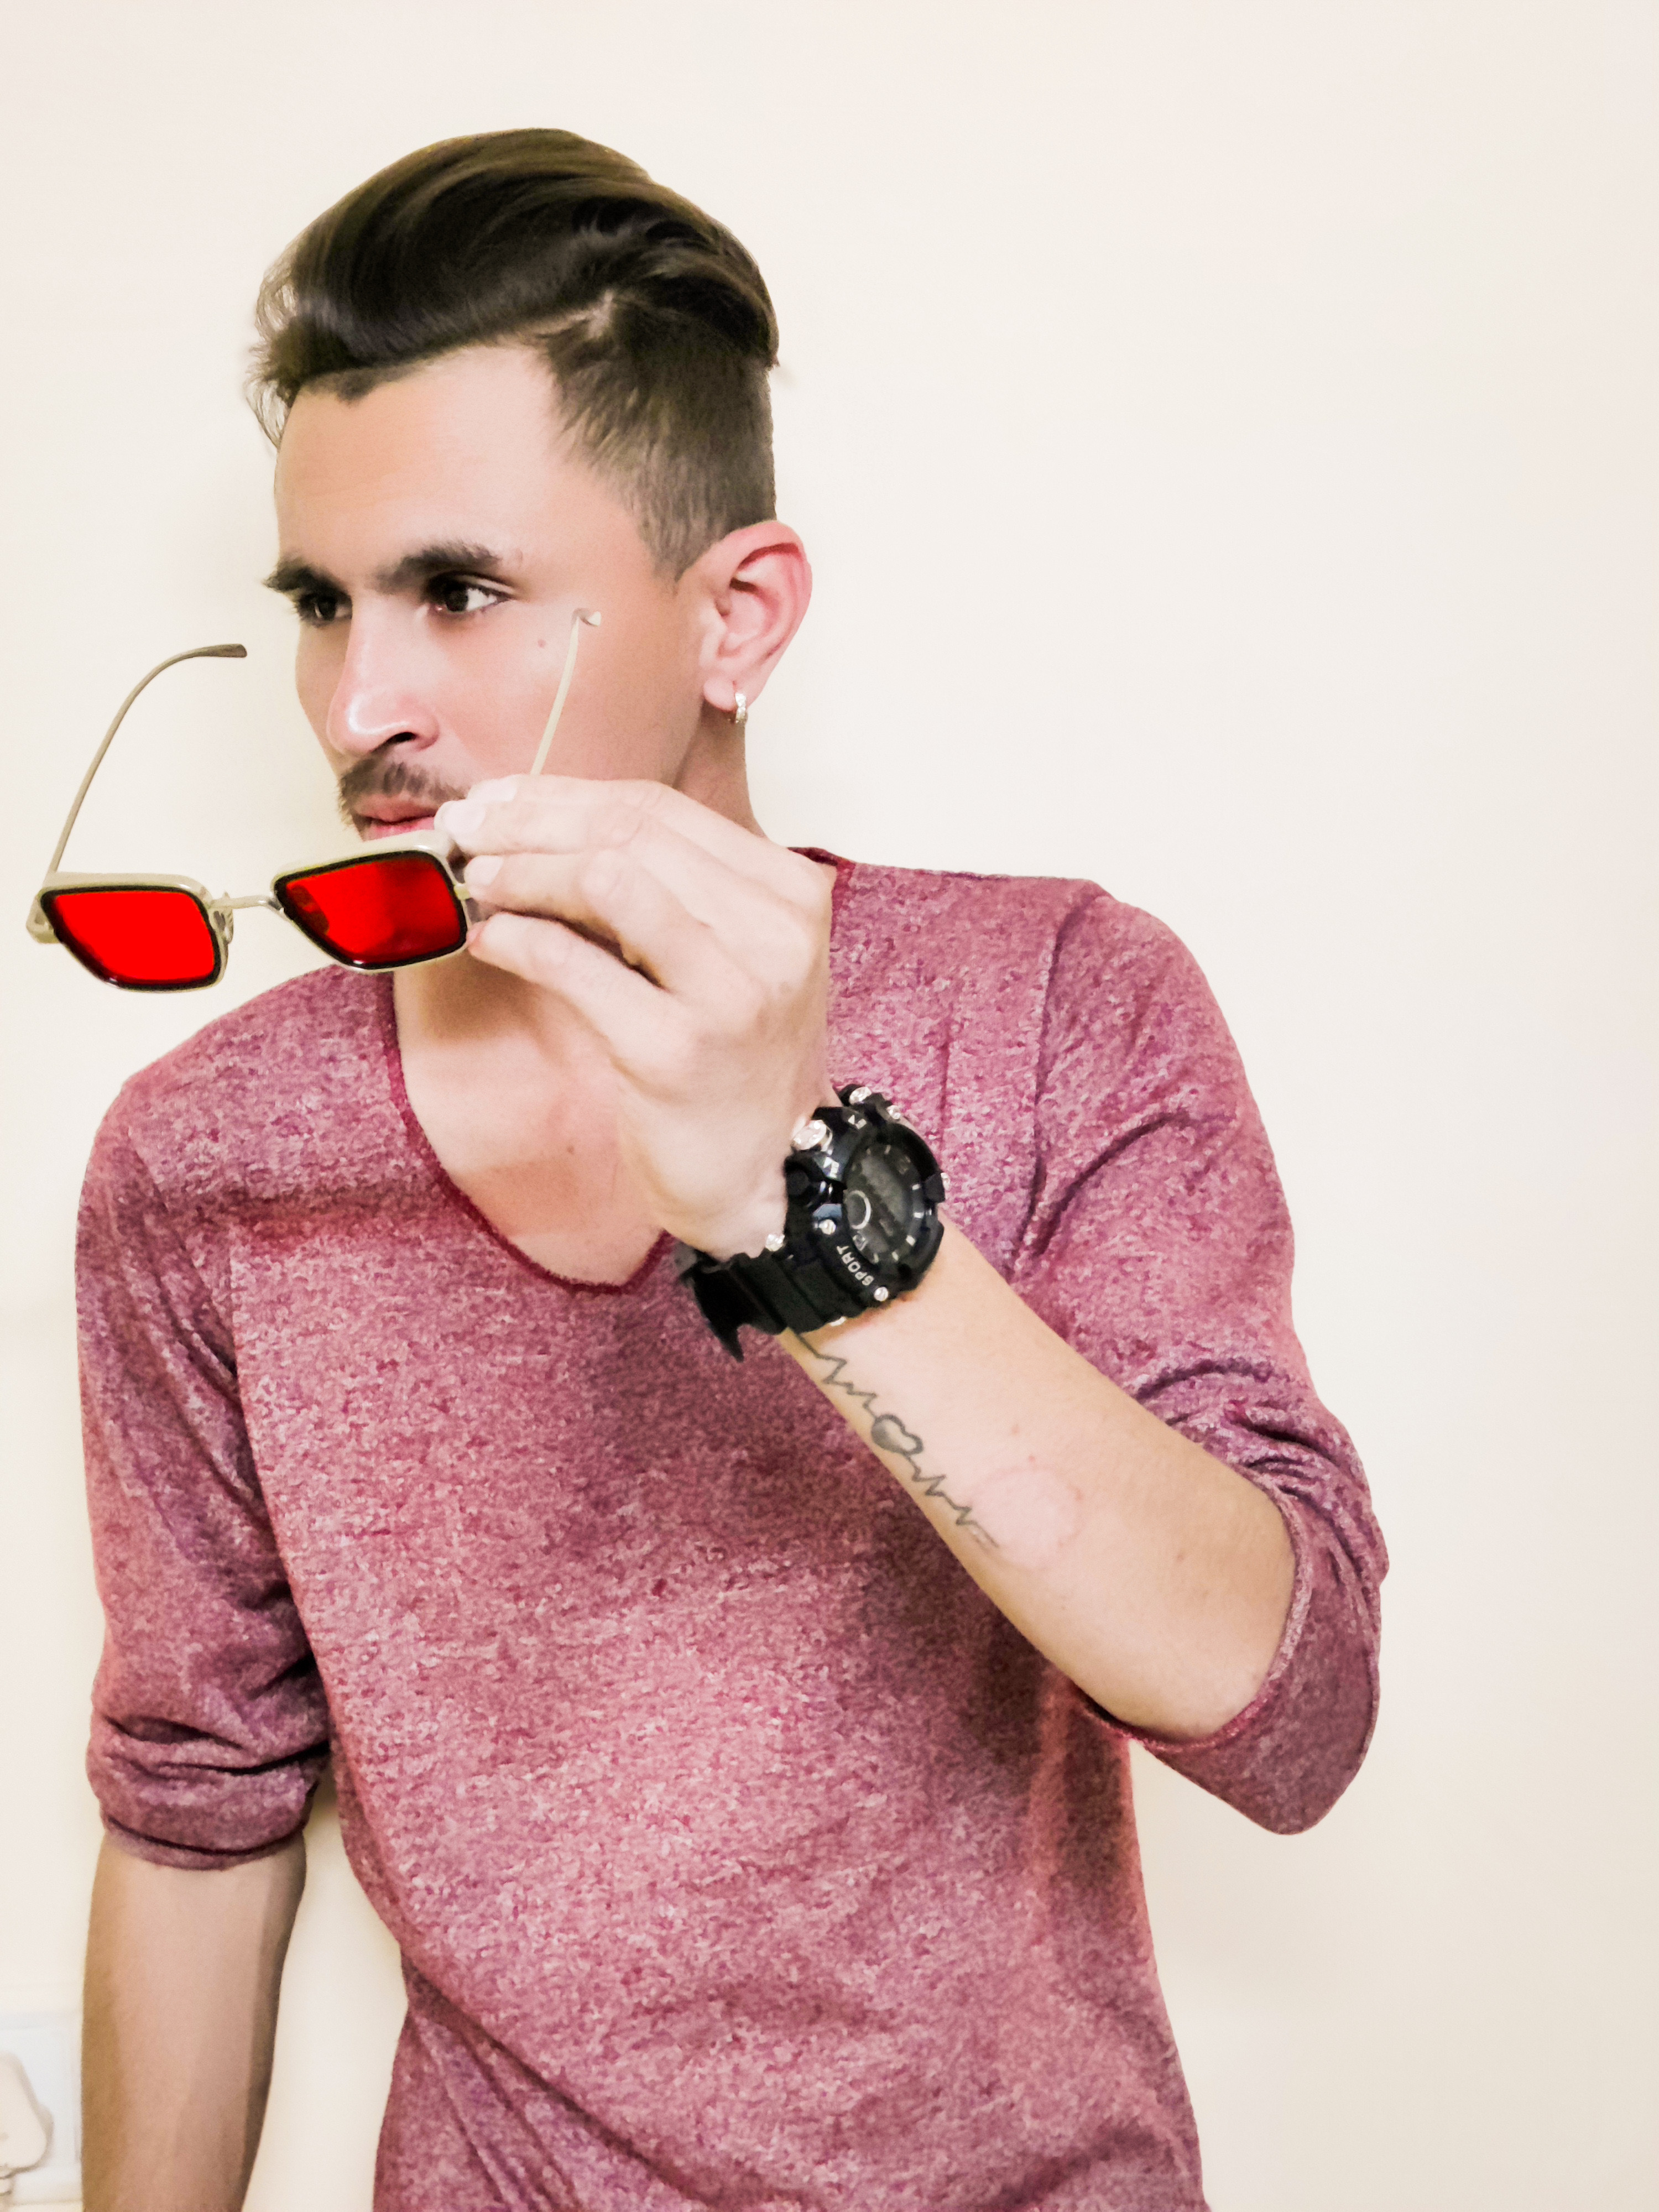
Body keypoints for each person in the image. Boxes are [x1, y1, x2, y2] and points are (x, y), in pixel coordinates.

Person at [75, 129, 1386, 2212]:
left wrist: (798, 1196)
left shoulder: (1062, 1000)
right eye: (322, 602)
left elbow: (1288, 1715)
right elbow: (193, 1820)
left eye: (458, 591)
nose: (356, 700)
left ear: (737, 617)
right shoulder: (207, 1157)